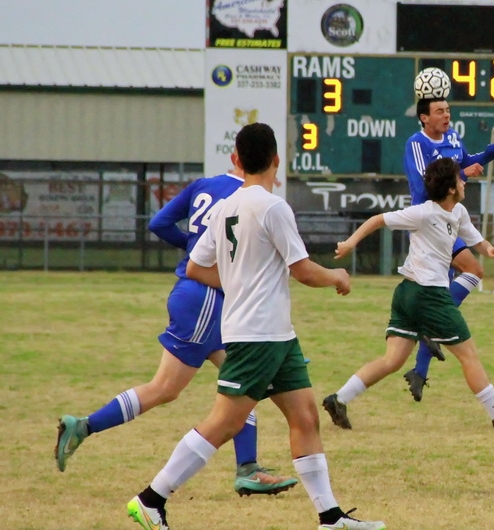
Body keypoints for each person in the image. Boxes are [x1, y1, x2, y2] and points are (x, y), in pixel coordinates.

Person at [126, 123, 385, 530]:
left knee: (305, 417)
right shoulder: (272, 207)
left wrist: (236, 282)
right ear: (276, 160)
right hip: (255, 335)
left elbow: (196, 266)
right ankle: (150, 499)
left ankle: (330, 517)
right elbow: (302, 270)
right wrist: (337, 276)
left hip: (278, 334)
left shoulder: (225, 206)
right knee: (225, 423)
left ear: (238, 160)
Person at [54, 155, 295, 496]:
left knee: (238, 385)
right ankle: (86, 426)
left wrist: (191, 244)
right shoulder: (247, 195)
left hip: (196, 294)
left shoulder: (202, 186)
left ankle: (248, 469)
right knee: (171, 387)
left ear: (234, 157)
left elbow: (159, 223)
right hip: (207, 296)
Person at [322, 157, 494, 431]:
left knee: (393, 360)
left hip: (407, 293)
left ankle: (339, 399)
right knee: (468, 354)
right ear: (450, 189)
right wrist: (350, 243)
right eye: (459, 178)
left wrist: (490, 249)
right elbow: (378, 219)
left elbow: (475, 240)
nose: (463, 181)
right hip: (428, 294)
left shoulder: (457, 212)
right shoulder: (424, 213)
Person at [401, 96, 494, 402]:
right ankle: (427, 336)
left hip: (450, 218)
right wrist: (464, 175)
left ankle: (419, 370)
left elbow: (468, 160)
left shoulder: (453, 137)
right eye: (440, 111)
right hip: (431, 222)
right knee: (474, 269)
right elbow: (424, 183)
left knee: (446, 289)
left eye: (448, 110)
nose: (446, 115)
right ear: (424, 118)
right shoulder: (417, 143)